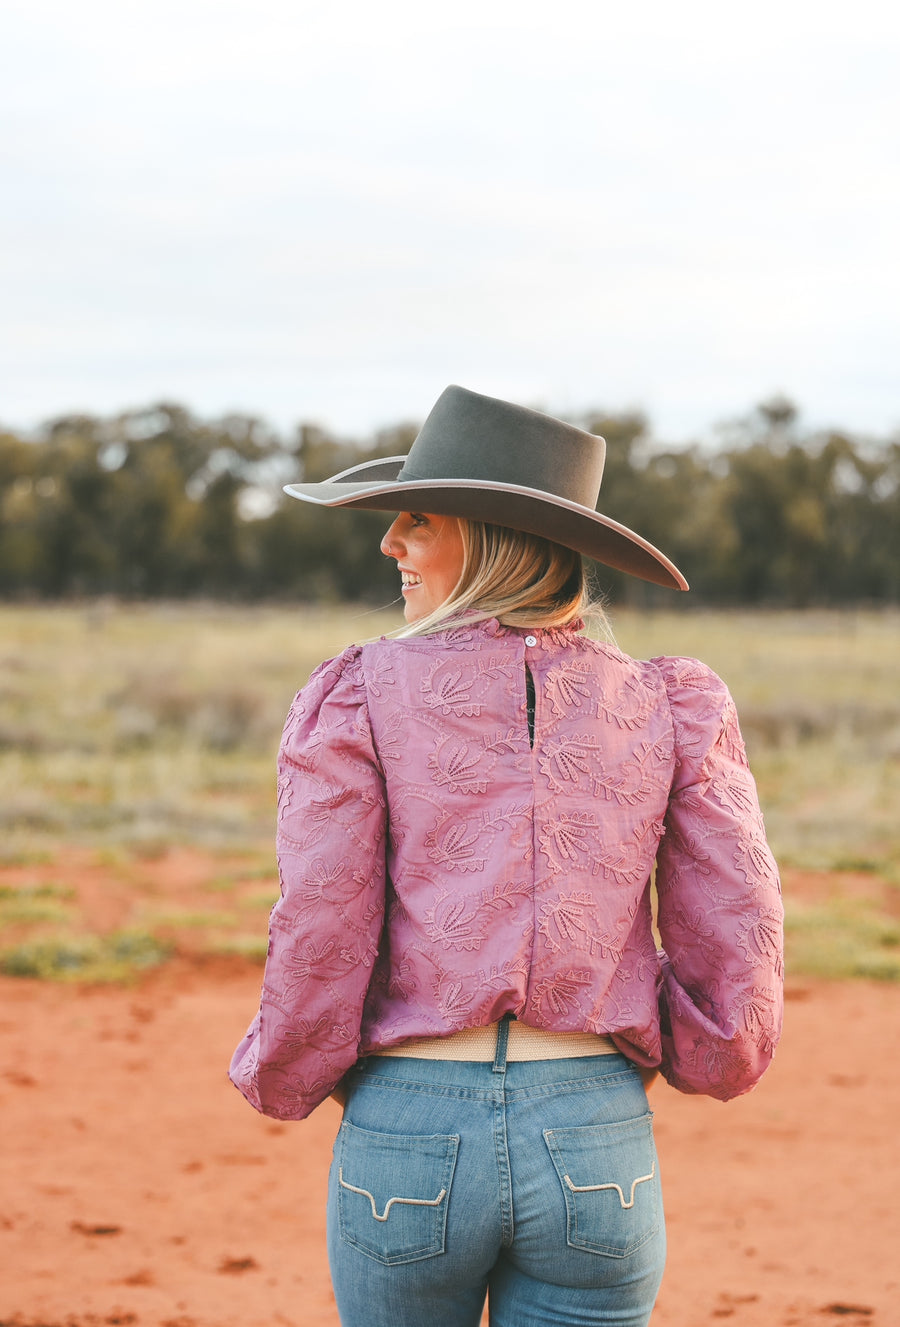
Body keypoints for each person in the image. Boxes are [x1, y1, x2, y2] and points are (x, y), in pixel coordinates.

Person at [230, 385, 784, 1327]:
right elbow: (738, 925)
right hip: (594, 1129)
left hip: (410, 1127)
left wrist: (286, 1070)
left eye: (415, 520)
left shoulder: (357, 692)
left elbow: (322, 916)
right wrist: (708, 1054)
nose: (388, 544)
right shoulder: (670, 703)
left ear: (487, 539)